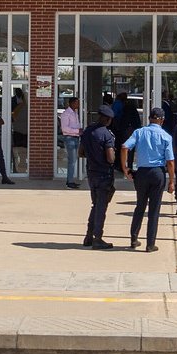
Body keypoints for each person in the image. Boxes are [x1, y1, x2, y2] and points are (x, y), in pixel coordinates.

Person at [121, 106, 175, 251]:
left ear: (150, 118)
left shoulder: (139, 132)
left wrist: (125, 168)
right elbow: (170, 161)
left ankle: (134, 238)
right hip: (157, 172)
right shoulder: (166, 136)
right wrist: (171, 180)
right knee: (154, 209)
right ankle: (150, 243)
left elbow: (125, 147)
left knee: (140, 205)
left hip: (142, 172)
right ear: (162, 120)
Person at [80, 104, 117, 249]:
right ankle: (97, 238)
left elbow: (80, 152)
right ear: (108, 119)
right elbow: (110, 158)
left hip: (91, 172)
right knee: (101, 207)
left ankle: (88, 236)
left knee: (95, 205)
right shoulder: (106, 135)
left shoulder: (88, 131)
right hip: (104, 174)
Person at [59, 96, 82, 189]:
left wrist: (79, 130)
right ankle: (69, 182)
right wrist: (77, 131)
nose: (78, 104)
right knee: (71, 161)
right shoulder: (66, 114)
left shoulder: (75, 113)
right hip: (70, 138)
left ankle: (71, 180)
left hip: (76, 138)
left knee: (74, 160)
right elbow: (64, 128)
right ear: (71, 103)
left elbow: (76, 125)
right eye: (76, 103)